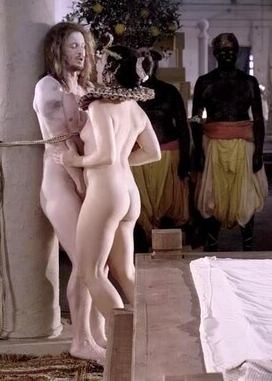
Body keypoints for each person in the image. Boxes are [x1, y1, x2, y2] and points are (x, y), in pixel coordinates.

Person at [53, 43, 160, 356]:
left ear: (110, 71)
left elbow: (106, 155)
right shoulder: (135, 109)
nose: (96, 66)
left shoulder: (100, 107)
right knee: (125, 273)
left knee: (92, 273)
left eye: (100, 63)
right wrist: (123, 161)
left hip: (106, 193)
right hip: (128, 192)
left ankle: (126, 348)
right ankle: (157, 334)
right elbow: (153, 153)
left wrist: (75, 161)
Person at [33, 22, 105, 362]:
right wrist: (82, 183)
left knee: (97, 264)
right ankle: (81, 340)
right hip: (60, 180)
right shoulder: (48, 86)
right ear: (58, 49)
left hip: (85, 175)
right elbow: (61, 141)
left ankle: (98, 333)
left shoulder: (87, 86)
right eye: (73, 45)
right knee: (84, 262)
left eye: (83, 46)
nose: (81, 52)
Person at [191, 33, 267, 252]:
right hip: (213, 145)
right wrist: (199, 151)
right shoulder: (205, 82)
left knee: (246, 196)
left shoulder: (249, 82)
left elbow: (258, 119)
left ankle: (248, 244)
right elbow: (196, 118)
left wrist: (258, 153)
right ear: (215, 54)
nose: (228, 55)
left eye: (232, 51)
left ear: (238, 53)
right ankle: (211, 244)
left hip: (244, 146)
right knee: (212, 196)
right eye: (223, 51)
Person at [131, 49, 191, 251]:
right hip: (137, 158)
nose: (146, 65)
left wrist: (185, 160)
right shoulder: (129, 93)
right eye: (141, 61)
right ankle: (141, 250)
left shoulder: (169, 92)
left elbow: (183, 127)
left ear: (156, 64)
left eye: (150, 61)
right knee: (139, 208)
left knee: (168, 206)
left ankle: (166, 249)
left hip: (168, 156)